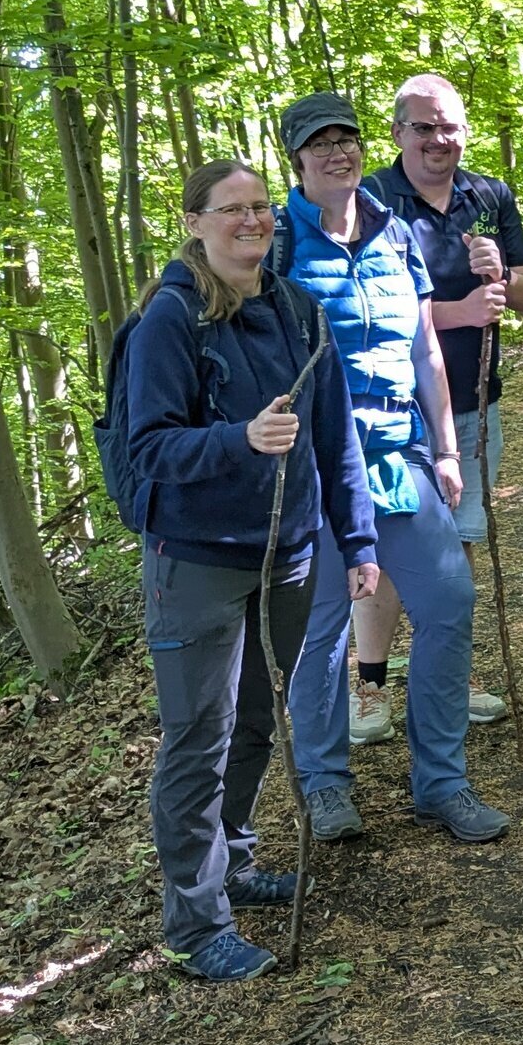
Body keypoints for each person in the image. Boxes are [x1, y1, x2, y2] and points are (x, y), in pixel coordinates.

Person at [126, 161, 377, 981]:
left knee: (257, 722)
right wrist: (239, 439)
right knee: (199, 737)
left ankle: (232, 864)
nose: (252, 220)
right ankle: (196, 926)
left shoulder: (298, 308)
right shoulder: (171, 319)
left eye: (262, 206)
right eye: (232, 208)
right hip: (196, 561)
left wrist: (358, 540)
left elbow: (335, 434)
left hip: (289, 557)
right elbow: (148, 447)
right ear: (194, 221)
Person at [276, 91, 511, 844]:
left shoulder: (394, 233)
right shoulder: (277, 242)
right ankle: (324, 785)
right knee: (322, 629)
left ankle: (440, 781)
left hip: (396, 452)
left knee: (448, 601)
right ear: (296, 158)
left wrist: (444, 448)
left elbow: (424, 348)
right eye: (319, 143)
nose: (336, 153)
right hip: (315, 467)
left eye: (344, 139)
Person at [358, 75, 523, 740]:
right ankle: (370, 685)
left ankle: (449, 677)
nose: (439, 139)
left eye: (450, 126)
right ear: (398, 132)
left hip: (473, 404)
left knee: (456, 547)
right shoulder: (370, 199)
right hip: (389, 414)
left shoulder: (489, 196)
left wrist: (502, 274)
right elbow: (359, 306)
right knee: (385, 546)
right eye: (424, 126)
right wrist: (458, 311)